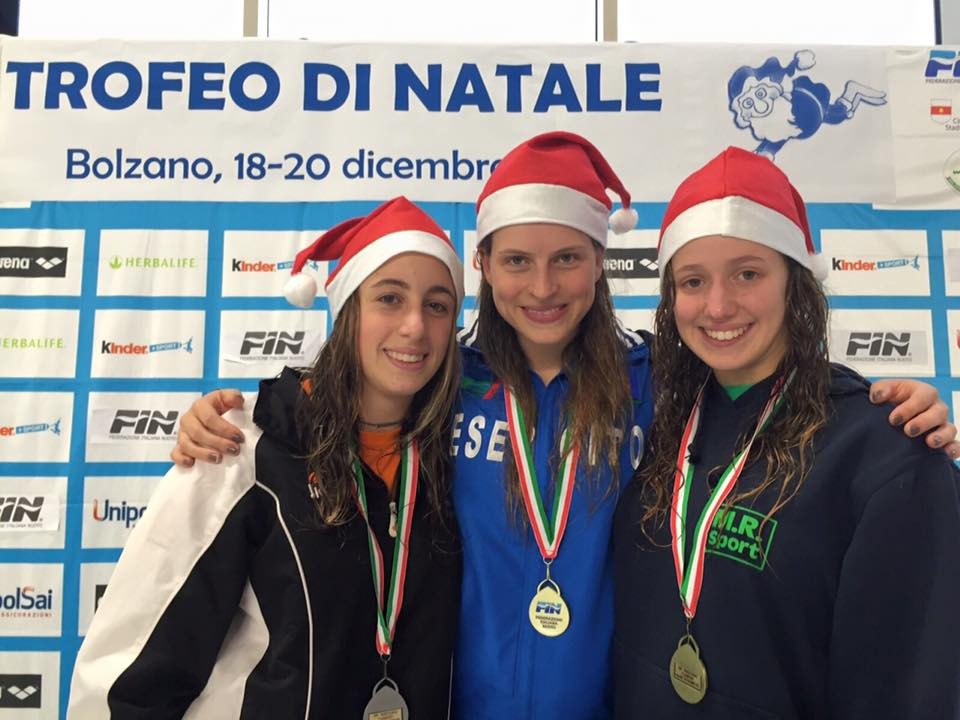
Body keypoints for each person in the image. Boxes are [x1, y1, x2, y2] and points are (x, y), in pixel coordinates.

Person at [168, 133, 958, 720]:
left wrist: (887, 408)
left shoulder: (662, 387)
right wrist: (229, 417)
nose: (542, 287)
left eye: (568, 259)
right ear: (484, 267)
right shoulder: (441, 383)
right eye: (517, 261)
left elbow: (769, 405)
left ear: (601, 262)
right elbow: (341, 407)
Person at [68, 197, 465, 719]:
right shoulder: (244, 448)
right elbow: (132, 665)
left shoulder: (458, 455)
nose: (415, 326)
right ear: (348, 310)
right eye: (389, 298)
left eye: (437, 305)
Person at [613, 147, 960, 718]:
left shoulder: (885, 453)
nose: (717, 306)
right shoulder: (657, 419)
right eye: (693, 281)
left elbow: (909, 691)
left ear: (794, 282)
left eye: (747, 274)